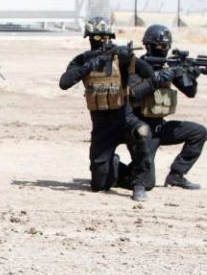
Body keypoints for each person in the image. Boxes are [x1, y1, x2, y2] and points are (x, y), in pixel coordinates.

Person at [58, 17, 154, 201]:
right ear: (89, 38)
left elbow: (148, 73)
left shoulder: (120, 57)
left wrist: (129, 58)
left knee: (142, 131)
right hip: (102, 127)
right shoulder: (83, 59)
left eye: (105, 37)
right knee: (99, 184)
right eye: (97, 37)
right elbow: (64, 83)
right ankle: (113, 165)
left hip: (125, 120)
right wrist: (88, 66)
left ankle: (139, 183)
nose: (102, 41)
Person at [132, 24, 205, 189]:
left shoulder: (169, 67)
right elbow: (134, 94)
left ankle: (176, 176)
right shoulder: (137, 66)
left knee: (199, 132)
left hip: (160, 127)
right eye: (159, 47)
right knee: (146, 181)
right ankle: (116, 169)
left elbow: (190, 92)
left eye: (166, 47)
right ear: (147, 46)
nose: (163, 50)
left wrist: (190, 76)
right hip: (141, 129)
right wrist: (157, 79)